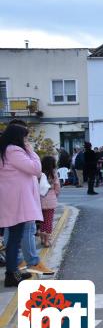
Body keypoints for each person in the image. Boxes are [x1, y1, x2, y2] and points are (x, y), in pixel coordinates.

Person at [0, 122, 38, 286]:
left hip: (11, 199)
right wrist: (30, 150)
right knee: (15, 239)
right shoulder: (13, 150)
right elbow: (35, 168)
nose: (27, 141)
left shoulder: (5, 150)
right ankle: (11, 275)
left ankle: (12, 272)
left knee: (13, 238)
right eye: (25, 137)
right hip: (17, 201)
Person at [39, 156, 60, 247]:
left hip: (39, 200)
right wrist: (55, 194)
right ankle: (47, 241)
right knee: (48, 221)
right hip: (50, 199)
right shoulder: (53, 174)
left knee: (41, 221)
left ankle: (42, 239)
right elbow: (57, 187)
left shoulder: (39, 174)